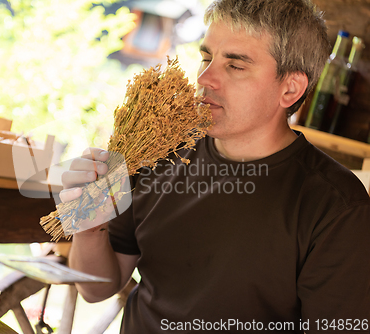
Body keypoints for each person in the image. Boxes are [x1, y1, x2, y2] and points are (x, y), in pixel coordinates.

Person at [60, 0, 370, 332]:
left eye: (235, 66)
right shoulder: (161, 151)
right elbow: (96, 288)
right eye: (206, 58)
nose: (206, 78)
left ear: (290, 88)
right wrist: (89, 227)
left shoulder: (338, 207)